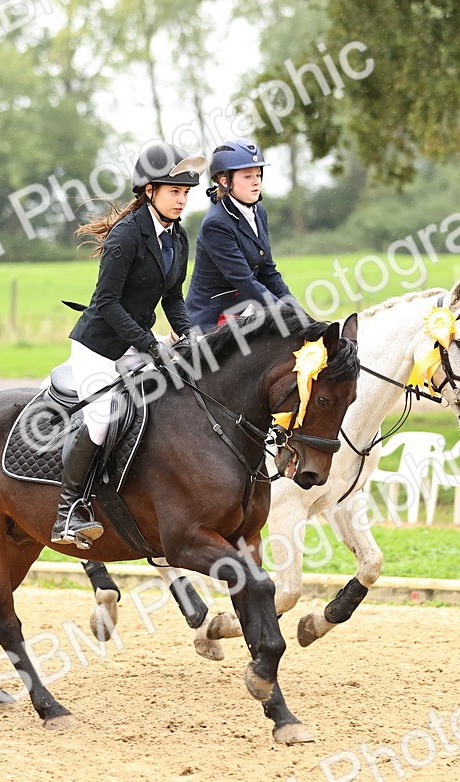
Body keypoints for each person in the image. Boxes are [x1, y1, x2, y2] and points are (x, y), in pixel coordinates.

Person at [52, 142, 207, 549]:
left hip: (138, 341)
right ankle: (68, 510)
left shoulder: (177, 236)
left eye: (186, 192)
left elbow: (173, 297)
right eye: (174, 191)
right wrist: (151, 345)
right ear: (150, 191)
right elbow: (106, 303)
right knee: (102, 416)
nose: (182, 199)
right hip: (99, 347)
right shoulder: (126, 235)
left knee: (179, 396)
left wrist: (186, 333)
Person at [185, 138, 296, 330]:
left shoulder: (259, 212)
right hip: (212, 321)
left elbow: (268, 273)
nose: (256, 182)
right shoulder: (216, 224)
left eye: (258, 175)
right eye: (247, 176)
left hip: (246, 310)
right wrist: (289, 318)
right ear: (224, 181)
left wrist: (300, 315)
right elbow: (246, 281)